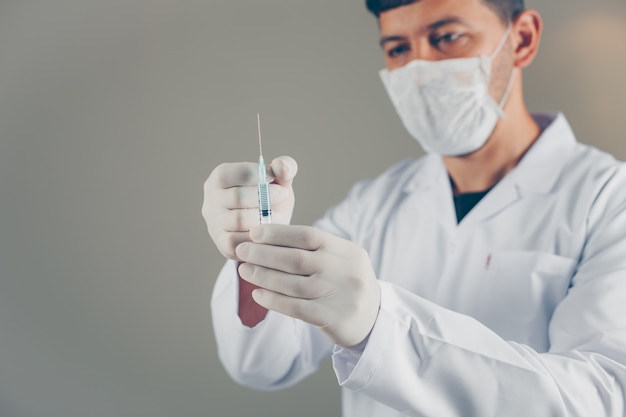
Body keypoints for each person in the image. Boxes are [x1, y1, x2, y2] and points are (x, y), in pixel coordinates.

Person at [202, 0, 626, 415]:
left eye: (447, 37)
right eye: (399, 49)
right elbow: (261, 363)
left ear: (523, 39)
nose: (419, 71)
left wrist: (382, 327)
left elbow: (599, 398)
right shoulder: (372, 205)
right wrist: (252, 247)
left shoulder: (608, 199)